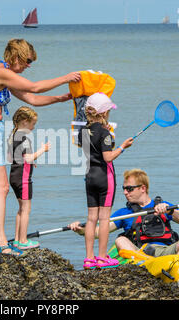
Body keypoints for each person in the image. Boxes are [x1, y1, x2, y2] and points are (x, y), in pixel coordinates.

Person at [0, 38, 81, 256]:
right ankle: (1, 243)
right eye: (27, 61)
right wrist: (66, 78)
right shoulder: (0, 72)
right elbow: (34, 86)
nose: (29, 66)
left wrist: (62, 98)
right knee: (2, 188)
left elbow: (32, 99)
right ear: (15, 56)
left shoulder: (5, 77)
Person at [69, 168, 179, 258]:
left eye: (129, 189)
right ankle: (146, 263)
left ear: (143, 188)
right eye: (124, 189)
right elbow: (98, 232)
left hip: (166, 251)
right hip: (140, 253)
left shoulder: (164, 206)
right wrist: (80, 230)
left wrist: (171, 210)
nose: (125, 192)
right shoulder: (125, 213)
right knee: (120, 240)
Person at [77, 93, 134, 269]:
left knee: (91, 218)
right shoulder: (105, 133)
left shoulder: (82, 132)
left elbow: (91, 148)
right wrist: (122, 147)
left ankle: (89, 258)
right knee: (104, 218)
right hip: (104, 177)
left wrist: (109, 136)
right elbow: (108, 157)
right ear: (103, 113)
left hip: (89, 176)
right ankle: (102, 257)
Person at [7, 106, 51, 250]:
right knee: (26, 209)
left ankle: (17, 240)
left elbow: (11, 158)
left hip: (14, 175)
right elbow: (28, 157)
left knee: (20, 209)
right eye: (33, 124)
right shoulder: (23, 138)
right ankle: (24, 240)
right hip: (23, 179)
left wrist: (31, 163)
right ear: (25, 122)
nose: (33, 127)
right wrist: (42, 150)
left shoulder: (13, 135)